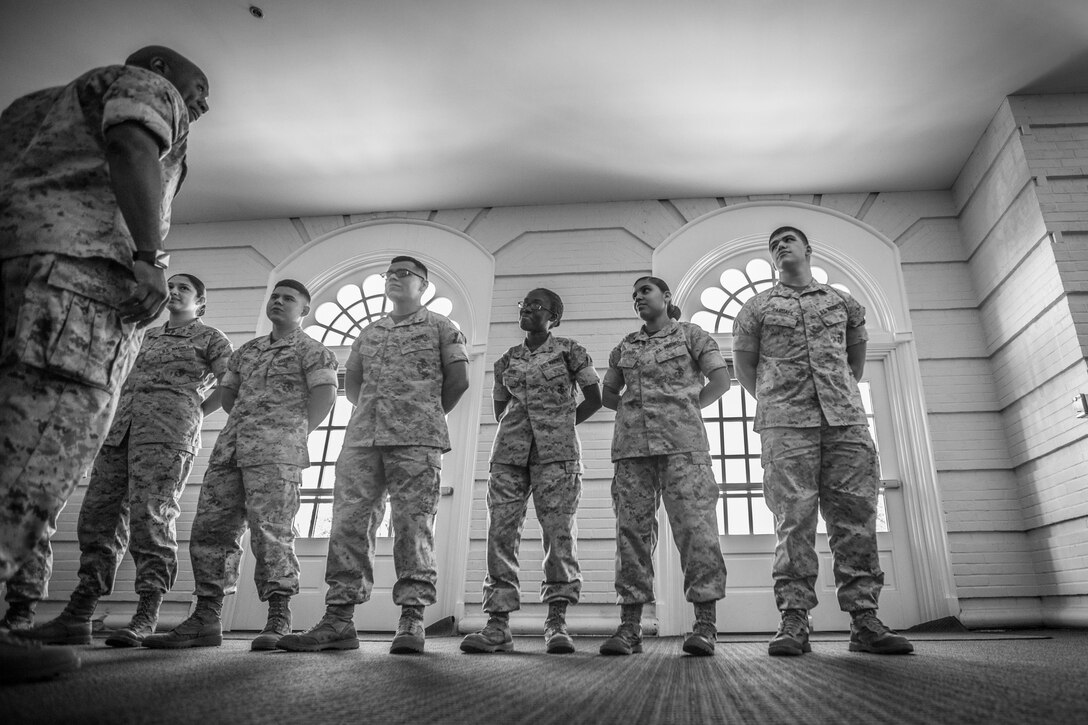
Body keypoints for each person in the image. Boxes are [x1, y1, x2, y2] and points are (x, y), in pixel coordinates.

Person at [0, 45, 210, 683]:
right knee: (33, 456)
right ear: (162, 70)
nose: (199, 106)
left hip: (23, 275)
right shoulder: (144, 86)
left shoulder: (35, 108)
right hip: (76, 289)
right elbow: (131, 144)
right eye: (198, 90)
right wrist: (150, 253)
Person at [19, 274, 232, 648]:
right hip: (119, 433)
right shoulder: (144, 335)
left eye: (185, 288)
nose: (175, 291)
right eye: (173, 285)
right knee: (98, 518)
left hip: (166, 436)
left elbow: (231, 381)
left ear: (200, 302)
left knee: (151, 517)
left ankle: (147, 614)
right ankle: (80, 613)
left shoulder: (210, 338)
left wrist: (195, 410)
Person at [732, 226, 914, 656]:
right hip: (785, 426)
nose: (780, 246)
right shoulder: (755, 307)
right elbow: (744, 367)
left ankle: (865, 620)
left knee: (855, 517)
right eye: (773, 243)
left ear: (808, 249)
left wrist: (835, 392)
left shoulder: (843, 302)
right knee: (793, 520)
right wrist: (778, 403)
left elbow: (856, 361)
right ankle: (794, 620)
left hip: (845, 422)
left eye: (788, 239)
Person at [278, 256, 469, 655]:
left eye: (404, 274)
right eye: (390, 274)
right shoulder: (371, 330)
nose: (395, 279)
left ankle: (412, 619)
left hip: (417, 441)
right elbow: (354, 385)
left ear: (423, 285)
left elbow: (459, 380)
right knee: (349, 523)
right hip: (362, 440)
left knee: (413, 527)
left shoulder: (441, 327)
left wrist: (422, 416)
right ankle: (339, 619)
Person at [143, 280, 337, 651]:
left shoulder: (313, 350)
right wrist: (251, 426)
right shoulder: (247, 352)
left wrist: (290, 432)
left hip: (277, 454)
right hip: (230, 450)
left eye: (289, 299)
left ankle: (278, 617)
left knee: (272, 532)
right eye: (275, 297)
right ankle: (207, 617)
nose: (279, 302)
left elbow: (325, 397)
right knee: (212, 529)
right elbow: (228, 394)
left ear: (304, 310)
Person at [460, 289, 602, 655]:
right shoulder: (507, 359)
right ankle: (497, 624)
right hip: (508, 457)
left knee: (559, 536)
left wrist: (562, 428)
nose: (526, 309)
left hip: (558, 457)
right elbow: (499, 409)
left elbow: (595, 398)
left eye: (535, 306)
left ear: (554, 316)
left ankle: (556, 623)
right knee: (499, 536)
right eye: (523, 304)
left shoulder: (571, 351)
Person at [599, 276, 731, 657]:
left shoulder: (692, 336)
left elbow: (720, 381)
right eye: (634, 294)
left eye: (645, 291)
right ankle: (629, 629)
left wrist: (685, 409)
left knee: (696, 531)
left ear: (666, 297)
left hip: (683, 449)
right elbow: (609, 393)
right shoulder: (625, 346)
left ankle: (705, 626)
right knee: (632, 535)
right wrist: (629, 409)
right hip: (632, 452)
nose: (638, 297)